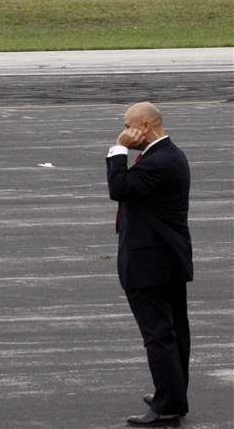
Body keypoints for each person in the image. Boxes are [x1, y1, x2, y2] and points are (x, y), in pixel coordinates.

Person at [106, 102, 193, 427]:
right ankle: (172, 393)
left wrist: (118, 149)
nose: (126, 131)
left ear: (146, 125)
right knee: (173, 332)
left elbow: (120, 188)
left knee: (159, 335)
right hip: (168, 259)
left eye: (129, 126)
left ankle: (168, 404)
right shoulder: (170, 156)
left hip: (151, 263)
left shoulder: (158, 162)